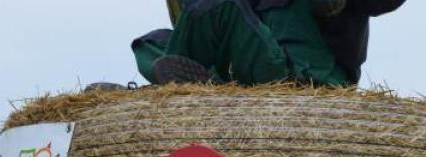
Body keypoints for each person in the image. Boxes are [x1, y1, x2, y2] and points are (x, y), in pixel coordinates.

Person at [132, 0, 406, 86]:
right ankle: (207, 85)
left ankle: (182, 90)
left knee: (216, 5)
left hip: (306, 77)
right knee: (149, 44)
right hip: (252, 63)